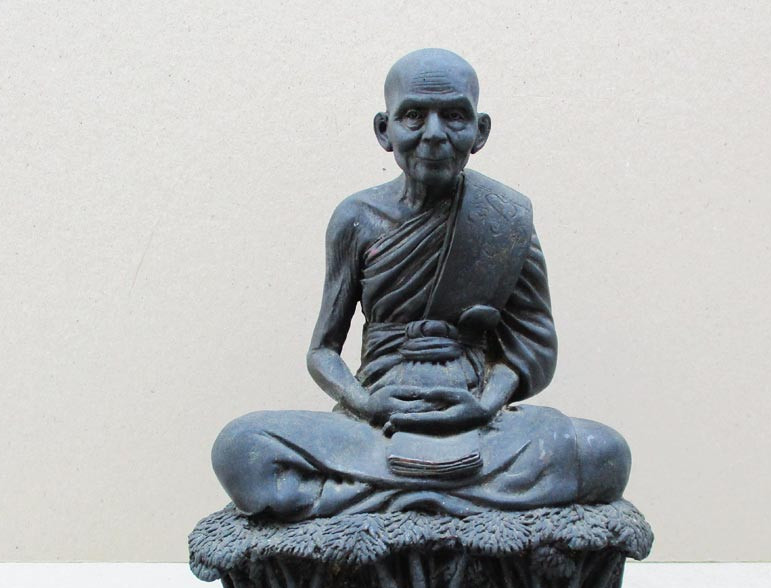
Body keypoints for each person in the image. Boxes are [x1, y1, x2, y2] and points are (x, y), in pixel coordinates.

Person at [211, 49, 630, 521]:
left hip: (475, 421)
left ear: (480, 131)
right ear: (384, 130)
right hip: (376, 423)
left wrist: (483, 405)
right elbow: (322, 351)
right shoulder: (356, 219)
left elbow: (533, 347)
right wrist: (367, 403)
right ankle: (452, 500)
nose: (433, 133)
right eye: (413, 116)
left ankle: (375, 499)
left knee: (606, 453)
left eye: (454, 116)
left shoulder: (505, 220)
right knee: (240, 447)